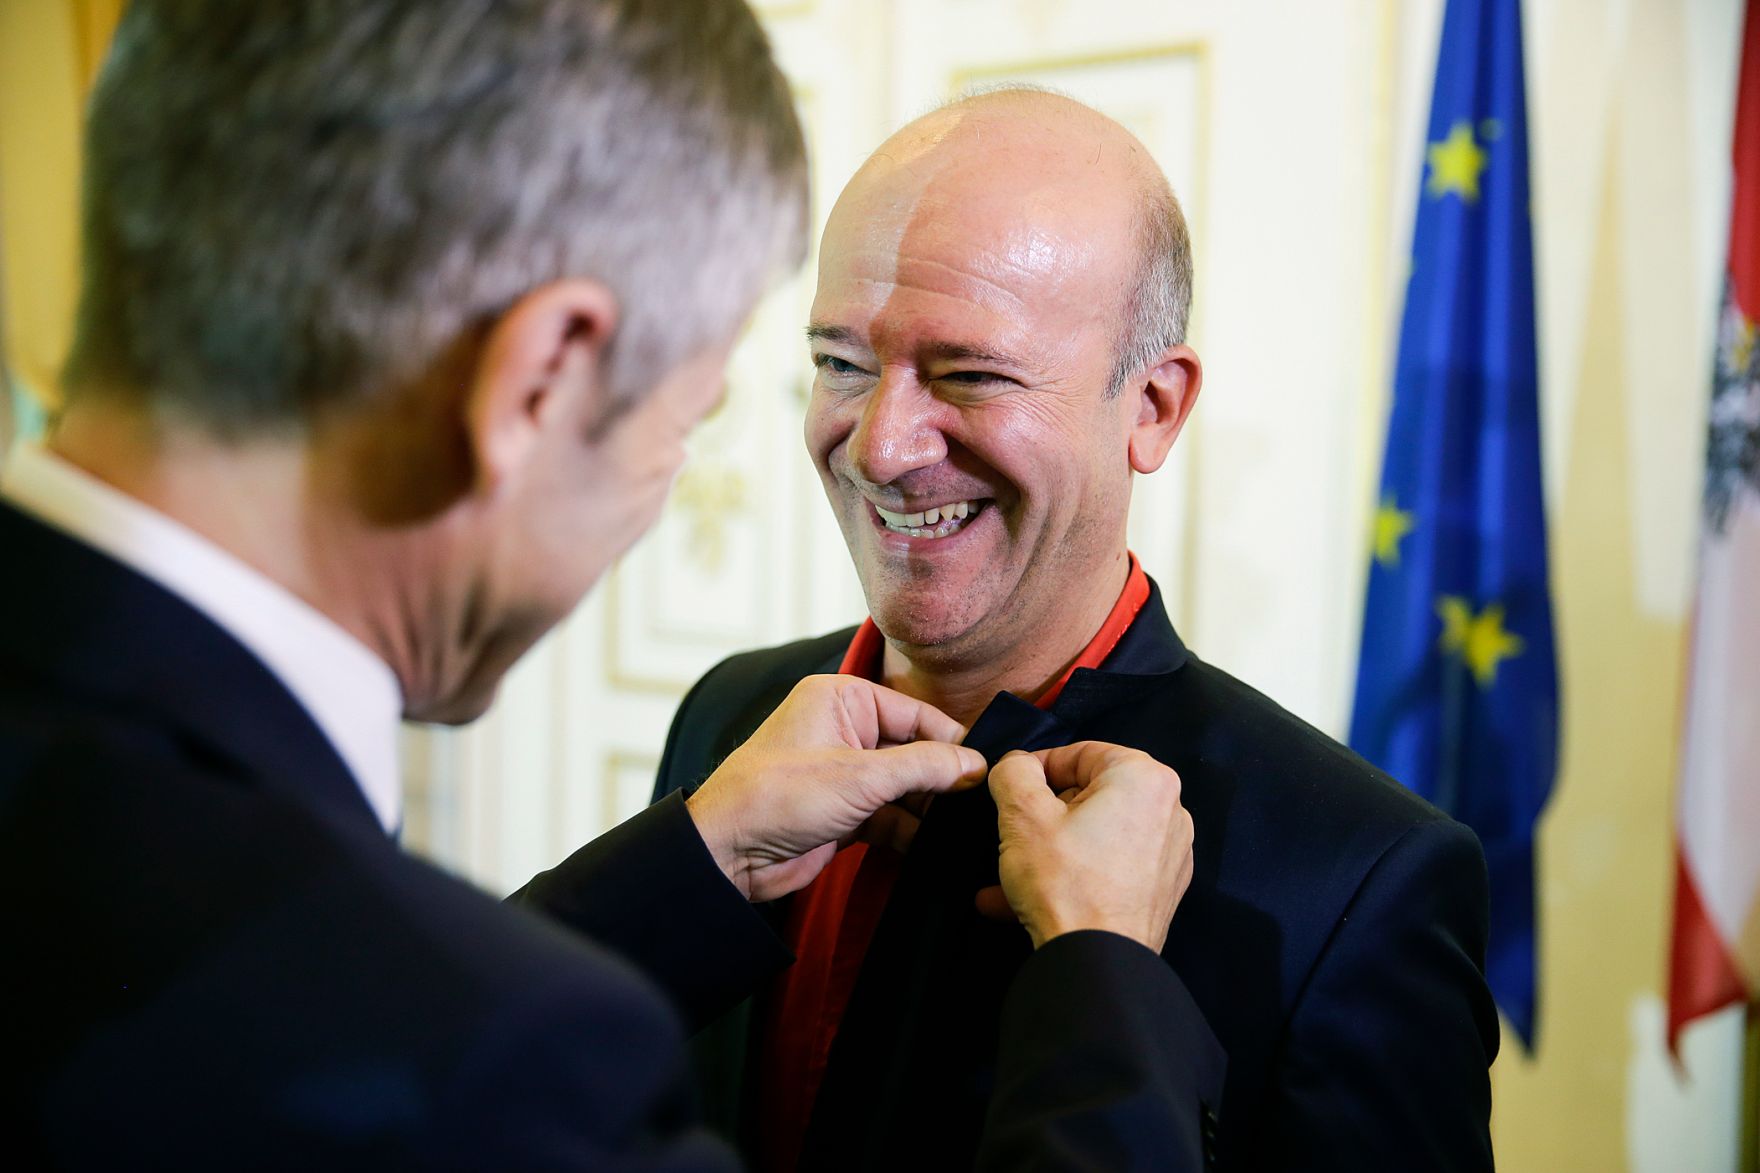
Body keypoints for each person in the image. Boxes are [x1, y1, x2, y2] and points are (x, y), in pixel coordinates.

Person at [0, 6, 1212, 1169]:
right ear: (538, 382)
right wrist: (1105, 994)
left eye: (970, 375)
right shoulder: (502, 1062)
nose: (883, 447)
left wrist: (688, 868)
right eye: (685, 415)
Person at [654, 89, 1501, 1171]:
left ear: (1150, 409)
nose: (879, 446)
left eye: (967, 373)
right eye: (842, 365)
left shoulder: (1356, 881)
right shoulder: (728, 717)